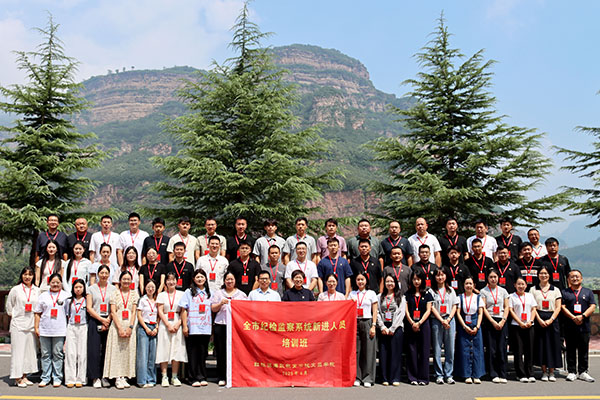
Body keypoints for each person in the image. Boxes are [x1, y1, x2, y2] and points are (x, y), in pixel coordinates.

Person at [103, 271, 139, 389]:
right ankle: (117, 377)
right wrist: (119, 328)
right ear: (120, 280)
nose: (126, 281)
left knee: (127, 351)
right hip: (116, 325)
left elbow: (134, 312)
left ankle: (124, 376)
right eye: (124, 279)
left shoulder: (134, 294)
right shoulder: (115, 293)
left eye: (128, 279)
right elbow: (113, 312)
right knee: (117, 351)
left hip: (129, 325)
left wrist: (130, 327)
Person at [211, 271, 248, 386]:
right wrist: (220, 304)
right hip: (221, 325)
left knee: (236, 351)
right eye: (227, 279)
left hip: (236, 326)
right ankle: (221, 376)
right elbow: (213, 308)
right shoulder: (218, 293)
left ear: (235, 281)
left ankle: (234, 375)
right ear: (224, 281)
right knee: (221, 352)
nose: (229, 281)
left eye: (231, 279)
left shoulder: (241, 294)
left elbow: (246, 310)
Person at [6, 266, 40, 387]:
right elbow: (9, 306)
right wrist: (16, 315)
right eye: (25, 274)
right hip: (18, 324)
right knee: (18, 352)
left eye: (30, 274)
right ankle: (17, 377)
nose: (27, 277)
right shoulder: (16, 289)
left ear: (33, 276)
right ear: (21, 276)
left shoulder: (37, 290)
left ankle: (25, 376)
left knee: (29, 352)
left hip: (31, 324)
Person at [34, 272, 69, 387]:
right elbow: (37, 313)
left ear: (61, 283)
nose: (55, 284)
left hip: (60, 329)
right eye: (53, 282)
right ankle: (45, 377)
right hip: (45, 329)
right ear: (49, 283)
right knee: (45, 354)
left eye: (57, 282)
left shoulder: (66, 296)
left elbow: (68, 314)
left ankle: (57, 377)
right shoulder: (43, 296)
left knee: (58, 354)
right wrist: (36, 327)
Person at [561, 269, 596, 382]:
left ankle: (583, 371)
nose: (574, 279)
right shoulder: (564, 292)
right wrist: (573, 317)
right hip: (569, 325)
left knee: (583, 349)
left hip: (584, 325)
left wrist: (583, 316)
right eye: (572, 277)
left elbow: (592, 306)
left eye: (577, 276)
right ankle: (571, 371)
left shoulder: (588, 292)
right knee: (570, 348)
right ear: (568, 279)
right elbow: (562, 307)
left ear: (581, 278)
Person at [180, 269, 213, 386]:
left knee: (203, 353)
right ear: (193, 279)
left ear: (205, 279)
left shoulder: (210, 292)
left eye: (202, 277)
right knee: (193, 353)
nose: (200, 279)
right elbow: (183, 310)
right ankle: (192, 378)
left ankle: (202, 376)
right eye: (197, 277)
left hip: (206, 327)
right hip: (193, 327)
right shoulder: (188, 292)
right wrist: (185, 326)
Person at [530, 265, 562, 382]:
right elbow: (532, 307)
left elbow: (558, 307)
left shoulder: (555, 290)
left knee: (552, 345)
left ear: (549, 275)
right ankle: (543, 371)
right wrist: (539, 319)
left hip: (552, 318)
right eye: (541, 273)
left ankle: (552, 371)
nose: (543, 275)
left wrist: (551, 319)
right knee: (541, 345)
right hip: (538, 317)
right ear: (538, 275)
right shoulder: (533, 289)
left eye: (546, 273)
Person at [86, 264, 116, 388]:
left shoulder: (113, 289)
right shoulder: (91, 289)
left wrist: (108, 319)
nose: (104, 275)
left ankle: (105, 376)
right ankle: (95, 377)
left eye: (106, 273)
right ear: (98, 274)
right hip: (95, 319)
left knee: (106, 350)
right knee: (94, 350)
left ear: (109, 275)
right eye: (101, 273)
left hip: (109, 320)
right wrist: (101, 319)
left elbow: (115, 307)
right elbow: (89, 308)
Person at [156, 272, 187, 387]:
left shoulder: (182, 294)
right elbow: (160, 311)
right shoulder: (161, 295)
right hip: (165, 323)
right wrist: (168, 324)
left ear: (176, 281)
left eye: (173, 280)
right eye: (168, 280)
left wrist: (179, 323)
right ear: (165, 282)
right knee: (163, 348)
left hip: (177, 321)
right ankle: (164, 376)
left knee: (176, 349)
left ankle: (174, 376)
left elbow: (184, 311)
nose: (171, 282)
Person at [480, 269, 510, 383]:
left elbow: (506, 307)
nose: (493, 279)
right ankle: (493, 373)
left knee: (502, 348)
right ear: (487, 278)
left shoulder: (503, 291)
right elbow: (484, 308)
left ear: (498, 278)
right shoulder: (484, 291)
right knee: (491, 349)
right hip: (490, 321)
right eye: (491, 277)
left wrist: (503, 320)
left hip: (501, 320)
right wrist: (492, 321)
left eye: (495, 277)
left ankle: (503, 373)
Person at [404, 269, 433, 385]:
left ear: (422, 280)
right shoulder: (407, 294)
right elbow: (406, 310)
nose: (416, 281)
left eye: (419, 279)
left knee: (424, 351)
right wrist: (412, 323)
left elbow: (428, 310)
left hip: (424, 325)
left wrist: (419, 322)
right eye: (414, 279)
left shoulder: (427, 294)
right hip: (411, 325)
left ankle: (423, 378)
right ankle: (412, 377)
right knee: (412, 351)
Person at [349, 271, 378, 387]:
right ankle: (357, 377)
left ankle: (368, 378)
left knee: (368, 350)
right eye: (358, 280)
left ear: (366, 281)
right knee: (356, 350)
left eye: (362, 279)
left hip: (367, 321)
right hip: (355, 322)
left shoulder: (371, 293)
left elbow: (375, 311)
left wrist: (373, 325)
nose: (360, 282)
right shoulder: (352, 294)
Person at [430, 267, 459, 385]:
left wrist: (449, 319)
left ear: (446, 276)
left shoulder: (451, 290)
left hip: (449, 320)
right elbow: (431, 307)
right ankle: (439, 374)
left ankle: (449, 374)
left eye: (442, 275)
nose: (440, 277)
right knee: (437, 349)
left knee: (450, 349)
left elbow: (455, 306)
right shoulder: (431, 291)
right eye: (438, 275)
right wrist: (441, 320)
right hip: (437, 321)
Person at [455, 277, 485, 384]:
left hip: (476, 324)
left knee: (477, 350)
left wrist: (477, 326)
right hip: (464, 325)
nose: (468, 286)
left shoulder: (478, 298)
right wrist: (464, 326)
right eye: (466, 283)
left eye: (470, 283)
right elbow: (458, 313)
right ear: (463, 285)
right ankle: (466, 375)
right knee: (464, 350)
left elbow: (480, 313)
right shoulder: (460, 297)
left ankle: (477, 375)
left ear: (474, 285)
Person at [377, 274, 405, 386]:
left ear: (395, 283)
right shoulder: (379, 296)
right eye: (387, 281)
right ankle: (384, 378)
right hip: (383, 327)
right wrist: (382, 327)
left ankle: (395, 377)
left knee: (395, 353)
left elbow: (401, 313)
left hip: (396, 328)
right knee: (384, 353)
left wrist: (393, 328)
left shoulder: (401, 297)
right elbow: (377, 312)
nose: (389, 284)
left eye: (392, 281)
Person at [509, 277, 537, 383]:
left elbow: (533, 309)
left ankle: (530, 373)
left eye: (523, 284)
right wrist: (520, 322)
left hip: (529, 325)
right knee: (518, 351)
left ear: (526, 285)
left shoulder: (530, 296)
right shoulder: (511, 296)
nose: (521, 286)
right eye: (519, 284)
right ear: (515, 285)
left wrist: (531, 320)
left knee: (530, 350)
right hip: (517, 326)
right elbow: (511, 310)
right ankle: (520, 374)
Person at [64, 279, 87, 388]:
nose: (78, 289)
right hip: (71, 326)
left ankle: (81, 379)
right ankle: (70, 378)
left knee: (82, 354)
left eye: (80, 287)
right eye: (76, 287)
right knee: (70, 353)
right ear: (73, 288)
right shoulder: (68, 301)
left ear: (84, 288)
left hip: (83, 326)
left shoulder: (86, 300)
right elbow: (66, 315)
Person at [136, 279, 158, 388]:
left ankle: (151, 379)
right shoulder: (142, 300)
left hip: (154, 327)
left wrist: (156, 328)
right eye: (148, 287)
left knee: (152, 355)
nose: (150, 289)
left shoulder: (157, 300)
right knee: (143, 355)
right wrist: (146, 328)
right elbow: (139, 315)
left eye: (152, 287)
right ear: (145, 288)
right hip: (144, 327)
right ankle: (142, 380)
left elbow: (159, 315)